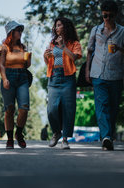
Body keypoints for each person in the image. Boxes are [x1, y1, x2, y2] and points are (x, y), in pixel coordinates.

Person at [85, 0, 124, 151]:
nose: (107, 19)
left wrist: (119, 48)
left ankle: (108, 135)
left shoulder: (123, 32)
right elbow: (89, 50)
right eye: (104, 15)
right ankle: (106, 137)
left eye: (110, 16)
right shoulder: (95, 30)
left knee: (113, 108)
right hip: (98, 73)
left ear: (115, 15)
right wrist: (87, 70)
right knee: (102, 106)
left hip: (115, 75)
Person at [44, 17, 82, 150]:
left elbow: (74, 58)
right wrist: (45, 56)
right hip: (54, 78)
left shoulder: (74, 43)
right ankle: (56, 132)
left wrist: (64, 47)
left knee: (68, 109)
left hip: (68, 79)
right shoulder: (52, 43)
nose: (56, 28)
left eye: (59, 25)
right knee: (51, 109)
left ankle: (65, 139)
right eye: (55, 26)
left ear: (65, 27)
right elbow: (48, 62)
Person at [0, 21, 32, 149]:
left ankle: (19, 133)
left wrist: (29, 57)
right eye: (18, 30)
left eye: (21, 30)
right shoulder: (4, 47)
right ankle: (10, 138)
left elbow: (27, 65)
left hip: (22, 77)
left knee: (24, 107)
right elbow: (1, 64)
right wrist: (4, 78)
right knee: (9, 109)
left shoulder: (23, 47)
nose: (20, 32)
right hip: (9, 76)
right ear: (11, 32)